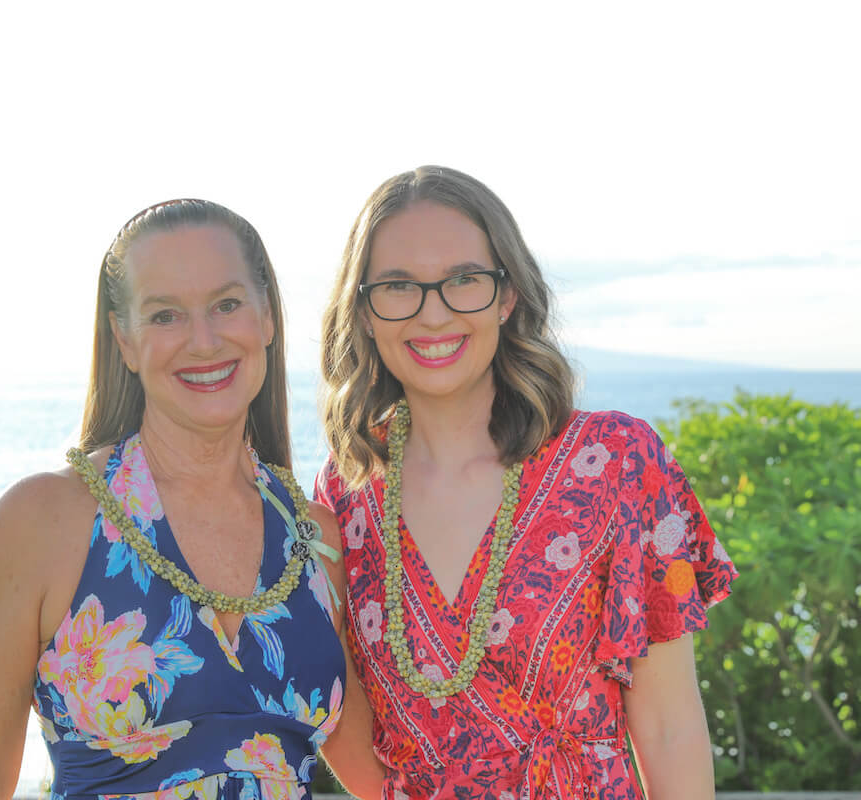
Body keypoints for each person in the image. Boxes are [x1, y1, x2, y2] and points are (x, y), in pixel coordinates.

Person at [314, 166, 739, 799]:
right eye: (399, 285)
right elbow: (341, 717)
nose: (433, 314)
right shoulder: (343, 495)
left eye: (463, 280)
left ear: (507, 296)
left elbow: (671, 723)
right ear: (365, 311)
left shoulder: (619, 462)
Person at [0, 199, 380, 799]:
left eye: (226, 305)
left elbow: (382, 775)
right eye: (166, 316)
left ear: (267, 318)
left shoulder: (313, 535)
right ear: (124, 340)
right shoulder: (42, 522)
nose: (203, 341)